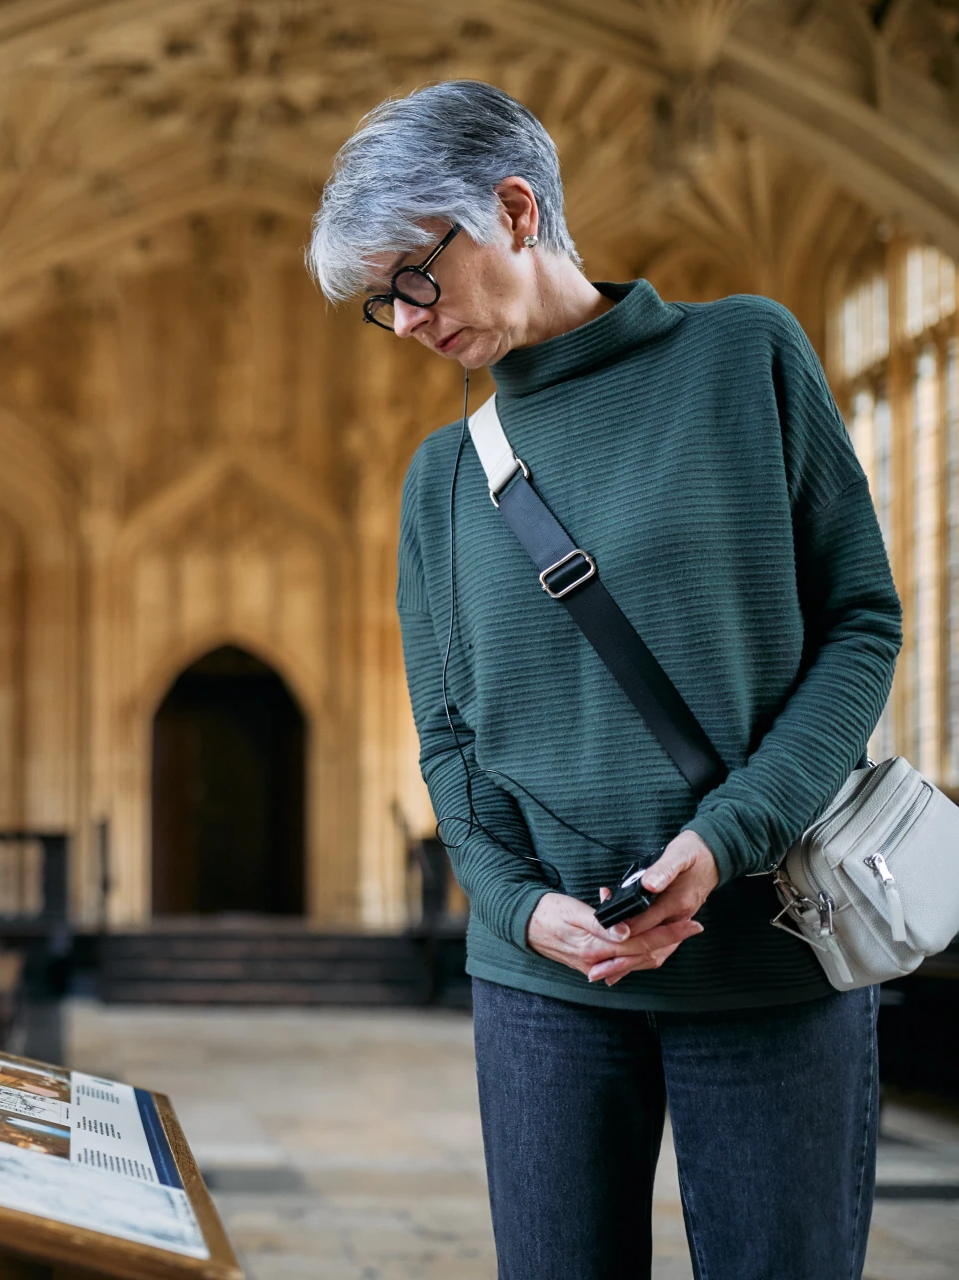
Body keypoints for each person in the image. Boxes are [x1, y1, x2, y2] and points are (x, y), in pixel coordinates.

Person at [305, 80, 902, 1279]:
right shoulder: (441, 479)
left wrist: (723, 837)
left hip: (765, 947)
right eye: (381, 304)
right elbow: (450, 743)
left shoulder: (745, 356)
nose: (408, 322)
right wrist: (523, 906)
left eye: (414, 277)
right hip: (543, 982)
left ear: (515, 210)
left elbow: (860, 625)